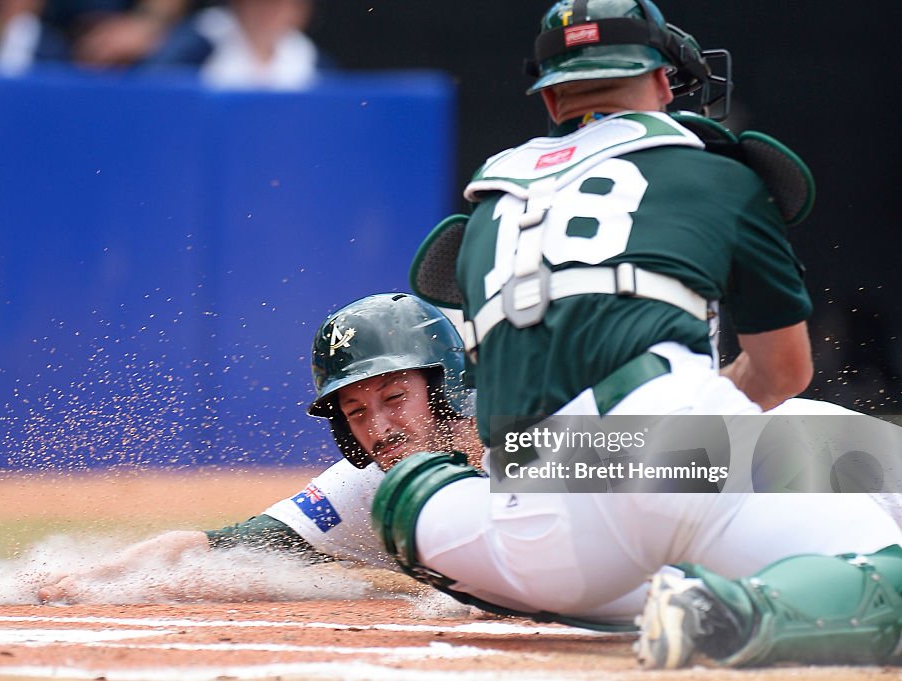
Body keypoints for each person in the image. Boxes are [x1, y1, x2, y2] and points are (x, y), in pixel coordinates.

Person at [381, 0, 902, 667]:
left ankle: (442, 530)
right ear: (660, 83)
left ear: (552, 100)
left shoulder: (484, 208)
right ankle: (725, 610)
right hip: (667, 452)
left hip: (531, 510)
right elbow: (781, 373)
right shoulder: (715, 170)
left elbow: (491, 427)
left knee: (409, 497)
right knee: (870, 545)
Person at [37, 292, 480, 602]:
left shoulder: (529, 437)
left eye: (394, 397)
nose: (379, 428)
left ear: (444, 388)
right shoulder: (363, 490)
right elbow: (214, 548)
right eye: (355, 411)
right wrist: (98, 577)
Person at [140, 0, 327, 90]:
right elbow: (155, 87)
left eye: (281, 5)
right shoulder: (203, 38)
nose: (270, 14)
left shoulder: (308, 56)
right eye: (262, 5)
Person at [0, 0, 193, 75]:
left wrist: (143, 28)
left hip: (140, 40)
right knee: (21, 41)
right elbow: (17, 13)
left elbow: (161, 10)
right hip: (60, 39)